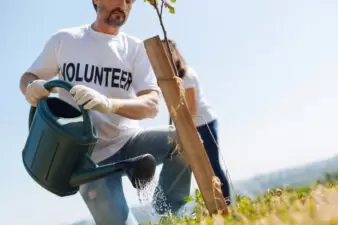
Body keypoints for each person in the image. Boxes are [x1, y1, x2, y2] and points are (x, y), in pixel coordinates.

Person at [19, 1, 193, 224]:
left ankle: (170, 217)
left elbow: (151, 105)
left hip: (130, 141)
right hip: (88, 160)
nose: (123, 4)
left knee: (183, 139)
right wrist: (31, 87)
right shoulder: (65, 40)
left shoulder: (135, 48)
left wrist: (109, 104)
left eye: (130, 1)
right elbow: (28, 77)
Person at [162, 39, 232, 205]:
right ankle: (214, 204)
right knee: (200, 167)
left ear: (175, 52)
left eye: (168, 51)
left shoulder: (187, 75)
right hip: (193, 125)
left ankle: (227, 204)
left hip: (204, 123)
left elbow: (191, 108)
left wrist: (187, 133)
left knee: (213, 165)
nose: (167, 55)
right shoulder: (172, 78)